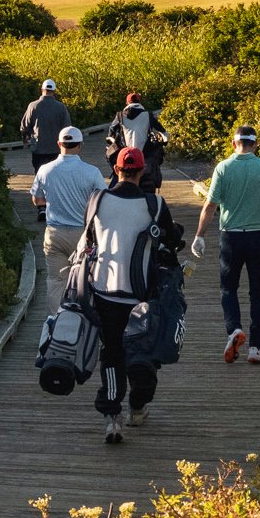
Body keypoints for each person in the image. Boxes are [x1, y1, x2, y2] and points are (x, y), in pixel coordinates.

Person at [79, 144, 181, 444]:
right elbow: (171, 241)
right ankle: (138, 406)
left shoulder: (97, 199)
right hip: (142, 296)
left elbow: (90, 238)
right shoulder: (155, 205)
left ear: (116, 169)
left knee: (112, 353)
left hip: (105, 291)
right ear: (142, 170)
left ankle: (112, 415)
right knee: (143, 351)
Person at [192, 123, 260, 365]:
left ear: (233, 143)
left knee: (228, 289)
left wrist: (199, 236)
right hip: (258, 237)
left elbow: (210, 205)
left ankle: (234, 328)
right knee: (258, 293)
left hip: (231, 238)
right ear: (256, 144)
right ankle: (256, 348)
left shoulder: (223, 168)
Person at [30, 125, 100, 267]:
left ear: (59, 144)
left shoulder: (44, 170)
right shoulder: (93, 172)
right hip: (82, 234)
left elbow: (37, 200)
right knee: (83, 276)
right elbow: (103, 201)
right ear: (80, 145)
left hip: (55, 234)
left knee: (55, 278)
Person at [19, 80, 71, 210]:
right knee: (56, 176)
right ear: (54, 91)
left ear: (42, 90)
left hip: (39, 149)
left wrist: (25, 137)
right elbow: (67, 128)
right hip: (56, 149)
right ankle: (54, 203)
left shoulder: (33, 106)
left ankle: (41, 206)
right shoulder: (61, 107)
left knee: (40, 175)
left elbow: (25, 126)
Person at [104, 90, 169, 188]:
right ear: (139, 102)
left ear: (127, 103)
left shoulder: (120, 115)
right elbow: (162, 130)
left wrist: (111, 141)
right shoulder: (148, 115)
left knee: (112, 164)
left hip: (125, 155)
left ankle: (114, 186)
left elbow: (111, 130)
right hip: (144, 155)